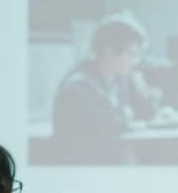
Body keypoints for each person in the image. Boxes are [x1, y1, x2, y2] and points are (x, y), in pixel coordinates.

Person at [48, 12, 160, 164]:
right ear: (109, 53)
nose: (136, 61)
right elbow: (108, 130)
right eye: (132, 54)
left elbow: (146, 113)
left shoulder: (115, 80)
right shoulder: (77, 88)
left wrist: (139, 83)